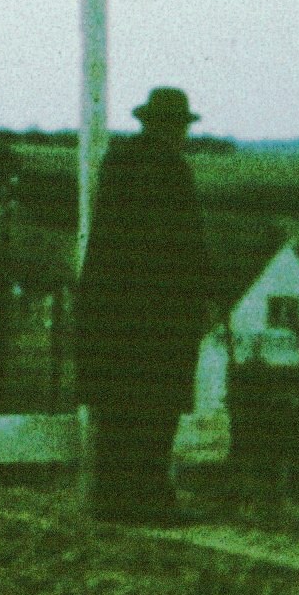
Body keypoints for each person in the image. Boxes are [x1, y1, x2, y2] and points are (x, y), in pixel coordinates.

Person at [76, 87, 219, 522]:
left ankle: (112, 499)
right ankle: (149, 500)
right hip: (159, 314)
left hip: (111, 310)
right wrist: (206, 291)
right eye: (180, 128)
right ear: (172, 128)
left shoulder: (118, 164)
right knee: (155, 410)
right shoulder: (171, 171)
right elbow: (185, 246)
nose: (183, 136)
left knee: (118, 407)